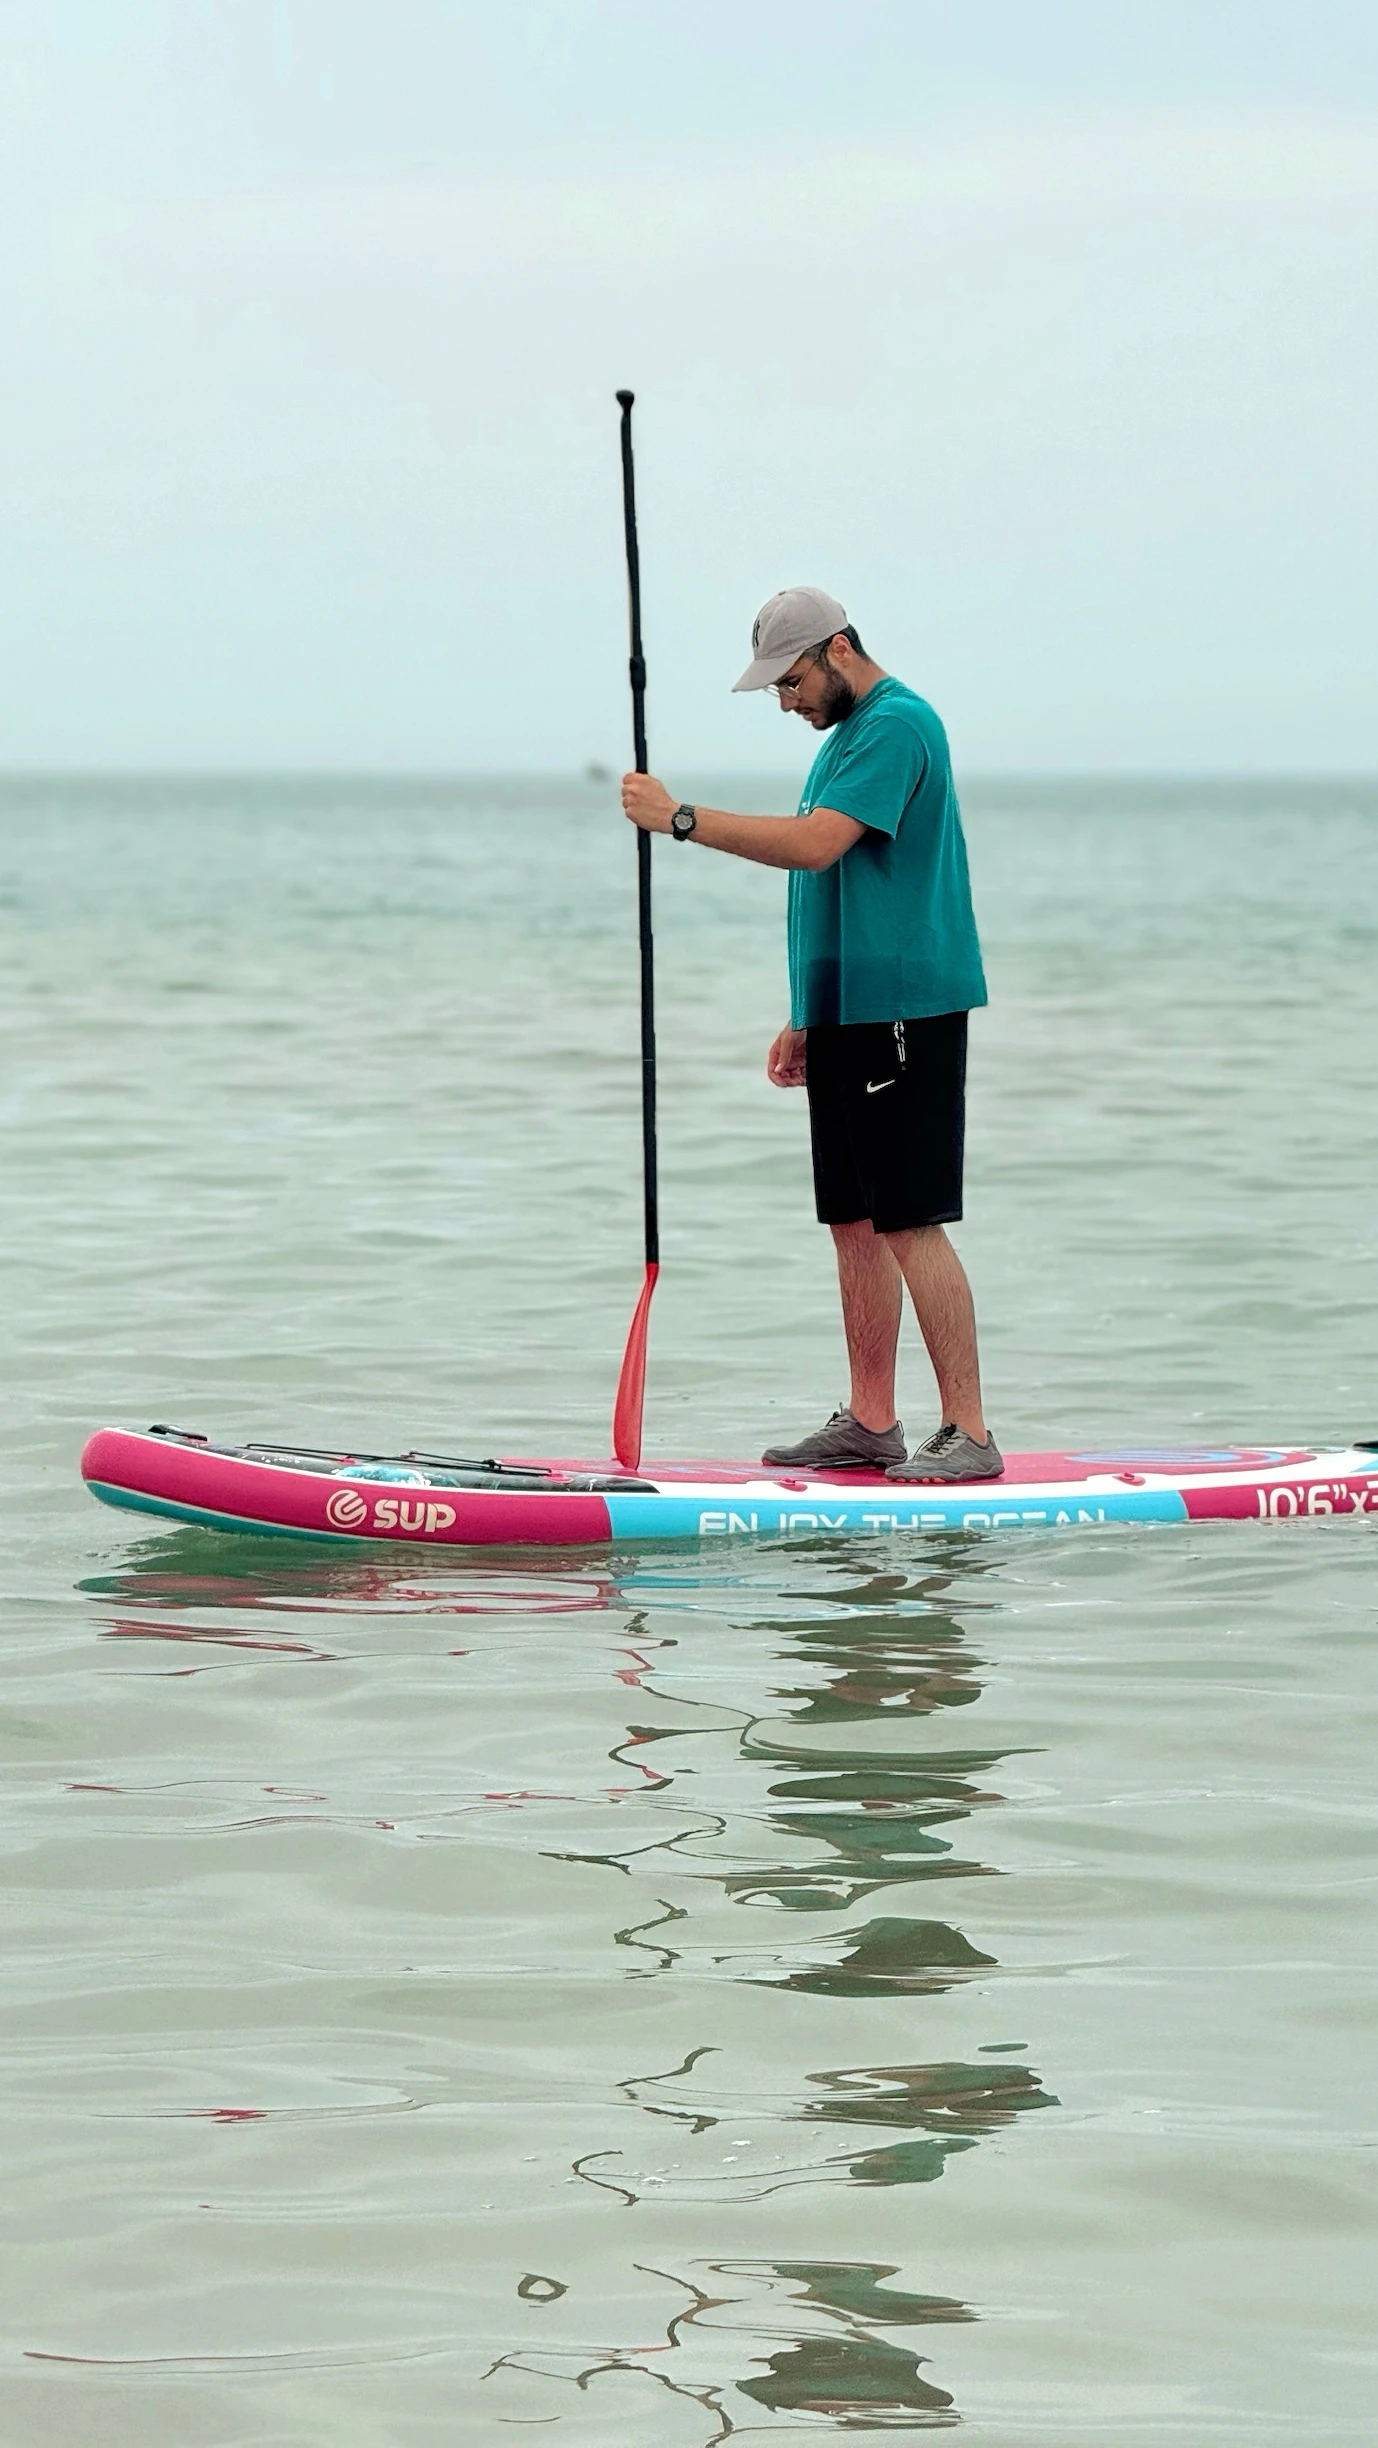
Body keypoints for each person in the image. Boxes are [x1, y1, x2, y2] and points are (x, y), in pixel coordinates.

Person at [620, 584, 1001, 1485]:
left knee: (910, 1221)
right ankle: (873, 1423)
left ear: (837, 649)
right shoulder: (843, 742)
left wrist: (680, 819)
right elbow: (832, 888)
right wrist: (805, 1008)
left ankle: (971, 1432)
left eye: (790, 683)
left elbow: (815, 846)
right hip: (845, 1008)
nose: (786, 704)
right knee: (854, 1223)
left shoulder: (900, 725)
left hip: (905, 1005)